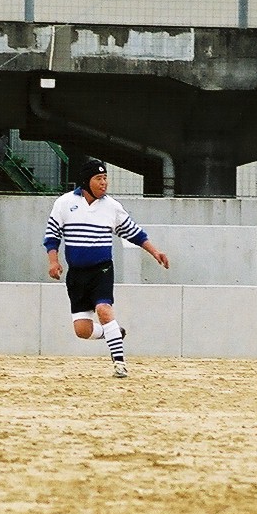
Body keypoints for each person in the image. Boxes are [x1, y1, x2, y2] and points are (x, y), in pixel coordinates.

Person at [44, 158, 170, 378]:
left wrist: (155, 251)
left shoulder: (112, 207)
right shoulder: (64, 203)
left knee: (104, 310)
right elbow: (52, 234)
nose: (104, 183)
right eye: (98, 179)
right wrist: (53, 261)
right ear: (86, 181)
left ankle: (120, 364)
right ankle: (115, 333)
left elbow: (134, 232)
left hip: (101, 270)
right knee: (82, 331)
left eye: (105, 178)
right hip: (76, 275)